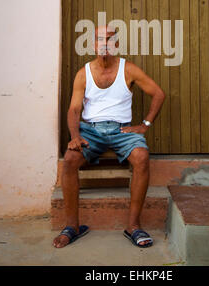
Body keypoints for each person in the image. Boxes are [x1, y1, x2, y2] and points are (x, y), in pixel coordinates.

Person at [53, 25, 165, 248]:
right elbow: (74, 110)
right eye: (100, 39)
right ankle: (72, 227)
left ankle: (134, 226)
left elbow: (158, 94)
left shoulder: (129, 69)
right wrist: (75, 135)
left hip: (122, 131)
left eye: (110, 39)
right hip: (91, 131)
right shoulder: (83, 74)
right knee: (70, 159)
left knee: (142, 157)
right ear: (93, 44)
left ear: (116, 45)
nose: (104, 43)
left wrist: (144, 125)